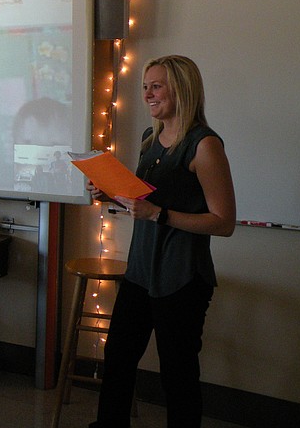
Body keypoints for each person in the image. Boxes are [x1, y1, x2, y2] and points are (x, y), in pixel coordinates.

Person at [87, 55, 236, 428]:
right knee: (119, 357)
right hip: (140, 271)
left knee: (177, 374)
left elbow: (224, 222)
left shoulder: (205, 146)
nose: (148, 94)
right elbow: (145, 201)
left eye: (157, 86)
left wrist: (159, 214)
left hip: (182, 278)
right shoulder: (148, 140)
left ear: (181, 90)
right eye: (145, 87)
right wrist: (109, 195)